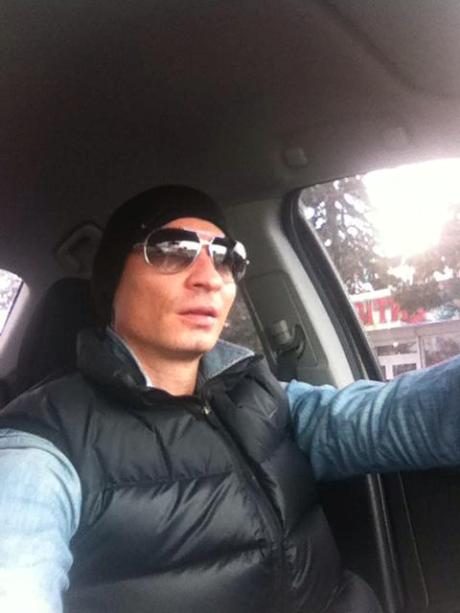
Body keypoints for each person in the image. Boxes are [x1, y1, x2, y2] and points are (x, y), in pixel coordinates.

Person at [1, 185, 460, 613]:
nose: (209, 278)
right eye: (172, 250)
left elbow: (391, 417)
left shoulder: (262, 394)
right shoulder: (42, 443)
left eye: (226, 258)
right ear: (112, 281)